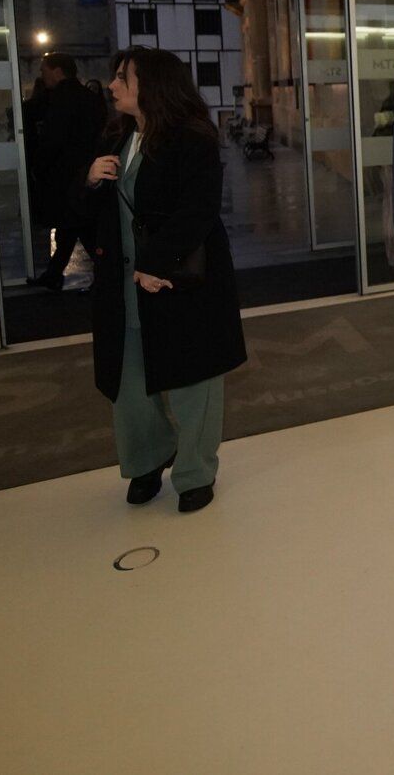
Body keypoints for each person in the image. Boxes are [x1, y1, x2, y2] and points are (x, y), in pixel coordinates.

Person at [79, 46, 246, 514]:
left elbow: (199, 210)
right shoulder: (116, 137)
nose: (112, 86)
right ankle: (146, 461)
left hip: (181, 280)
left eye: (121, 78)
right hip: (124, 287)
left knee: (196, 381)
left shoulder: (192, 138)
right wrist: (91, 181)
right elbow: (94, 215)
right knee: (129, 384)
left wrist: (156, 263)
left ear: (150, 85)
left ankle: (195, 472)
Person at [26, 52, 107, 290]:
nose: (42, 74)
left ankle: (61, 274)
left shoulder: (59, 99)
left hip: (63, 175)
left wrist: (39, 166)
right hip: (84, 172)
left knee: (75, 226)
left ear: (57, 71)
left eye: (44, 70)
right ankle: (55, 273)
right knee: (74, 226)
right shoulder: (88, 98)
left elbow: (53, 139)